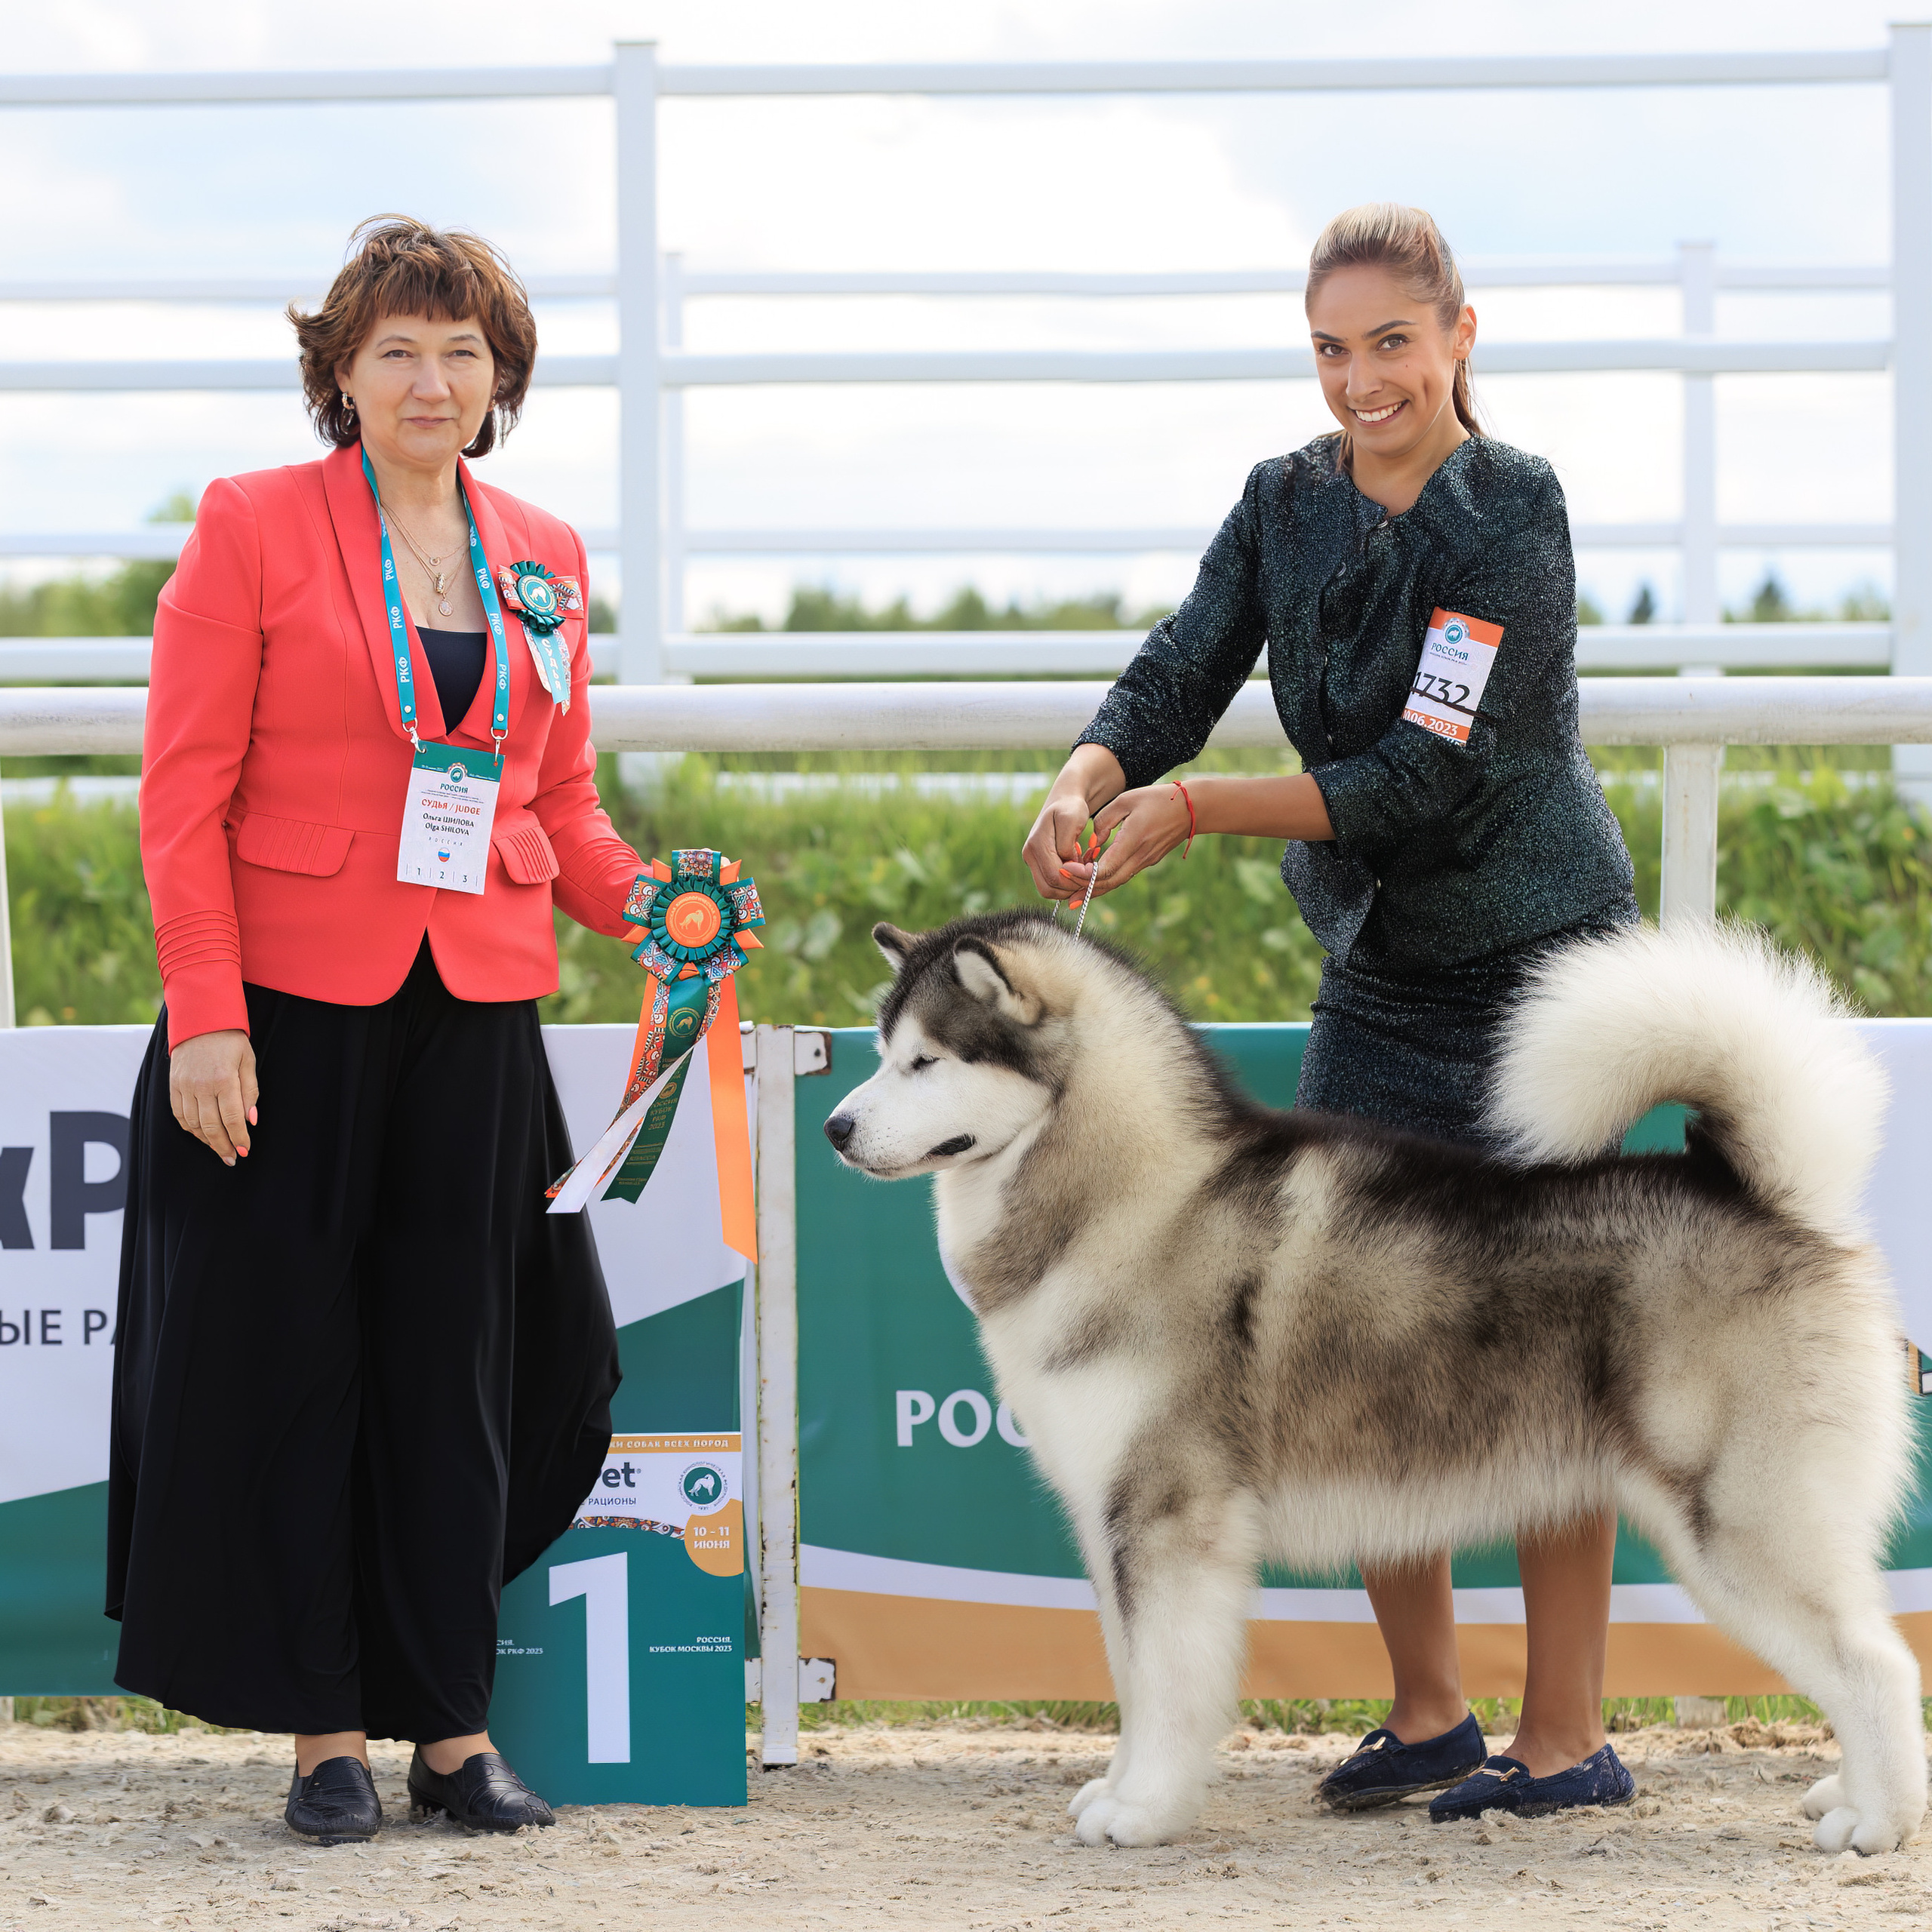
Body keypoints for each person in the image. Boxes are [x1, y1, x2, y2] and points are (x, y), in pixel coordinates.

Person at [1020, 204, 1641, 1822]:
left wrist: (1200, 810)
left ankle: (1565, 1734)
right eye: (1328, 347)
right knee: (1353, 1336)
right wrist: (1093, 764)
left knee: (1544, 1357)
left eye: (1388, 342)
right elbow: (1183, 661)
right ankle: (1427, 1710)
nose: (1359, 381)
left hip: (1538, 968)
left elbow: (1429, 773)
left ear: (1456, 337)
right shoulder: (1279, 500)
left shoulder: (1511, 510)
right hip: (1380, 969)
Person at [110, 217, 645, 1844]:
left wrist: (672, 915)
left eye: (463, 352)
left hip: (474, 1012)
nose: (433, 379)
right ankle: (325, 1736)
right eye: (398, 349)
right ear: (340, 372)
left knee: (464, 1375)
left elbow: (558, 807)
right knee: (298, 1372)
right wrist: (208, 1016)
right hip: (281, 1016)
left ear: (503, 380)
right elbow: (179, 797)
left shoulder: (541, 551)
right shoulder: (252, 526)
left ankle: (451, 1732)